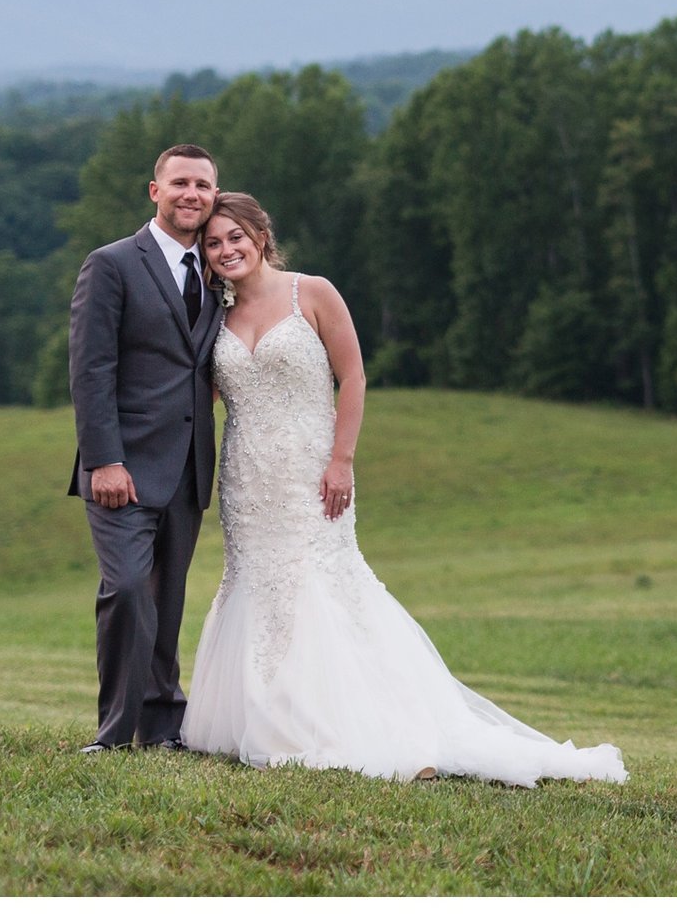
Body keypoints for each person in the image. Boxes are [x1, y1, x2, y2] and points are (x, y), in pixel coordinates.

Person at [179, 191, 627, 787]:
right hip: (246, 479)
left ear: (261, 236)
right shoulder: (215, 313)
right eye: (213, 243)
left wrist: (343, 459)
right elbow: (206, 391)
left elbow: (354, 374)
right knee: (256, 582)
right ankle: (264, 715)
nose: (226, 249)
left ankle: (355, 723)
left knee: (320, 582)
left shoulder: (311, 293)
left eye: (236, 236)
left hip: (314, 473)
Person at [67, 143, 224, 753]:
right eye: (180, 183)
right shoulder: (110, 264)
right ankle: (112, 735)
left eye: (204, 186)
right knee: (128, 589)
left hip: (187, 467)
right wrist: (103, 458)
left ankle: (162, 729)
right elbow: (90, 370)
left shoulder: (216, 268)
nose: (192, 194)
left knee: (169, 599)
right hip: (122, 466)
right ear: (154, 191)